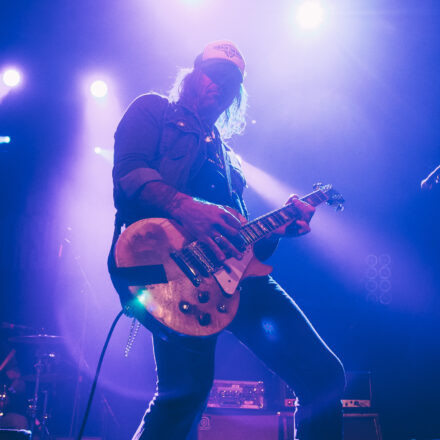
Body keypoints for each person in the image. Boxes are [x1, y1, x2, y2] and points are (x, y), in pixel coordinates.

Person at [108, 40, 345, 440]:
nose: (221, 86)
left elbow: (246, 240)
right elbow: (128, 174)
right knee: (184, 396)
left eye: (232, 83)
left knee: (323, 377)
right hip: (171, 270)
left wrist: (280, 229)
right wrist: (181, 205)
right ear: (192, 75)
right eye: (213, 76)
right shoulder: (153, 110)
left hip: (236, 279)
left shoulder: (228, 158)